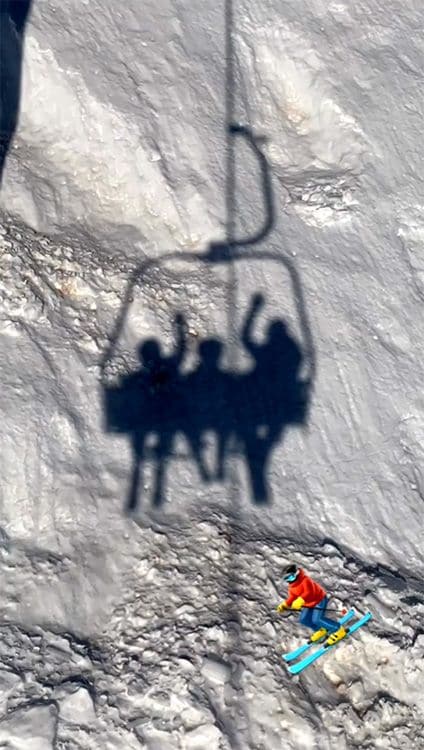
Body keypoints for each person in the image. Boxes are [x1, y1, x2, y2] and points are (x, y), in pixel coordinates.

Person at [276, 563, 347, 645]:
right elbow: (292, 597)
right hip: (308, 604)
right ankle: (321, 629)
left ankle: (338, 630)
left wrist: (301, 600)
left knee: (317, 619)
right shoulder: (292, 586)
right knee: (304, 619)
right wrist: (285, 604)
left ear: (297, 573)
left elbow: (309, 592)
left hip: (318, 600)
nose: (290, 580)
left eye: (291, 576)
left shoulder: (305, 580)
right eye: (287, 578)